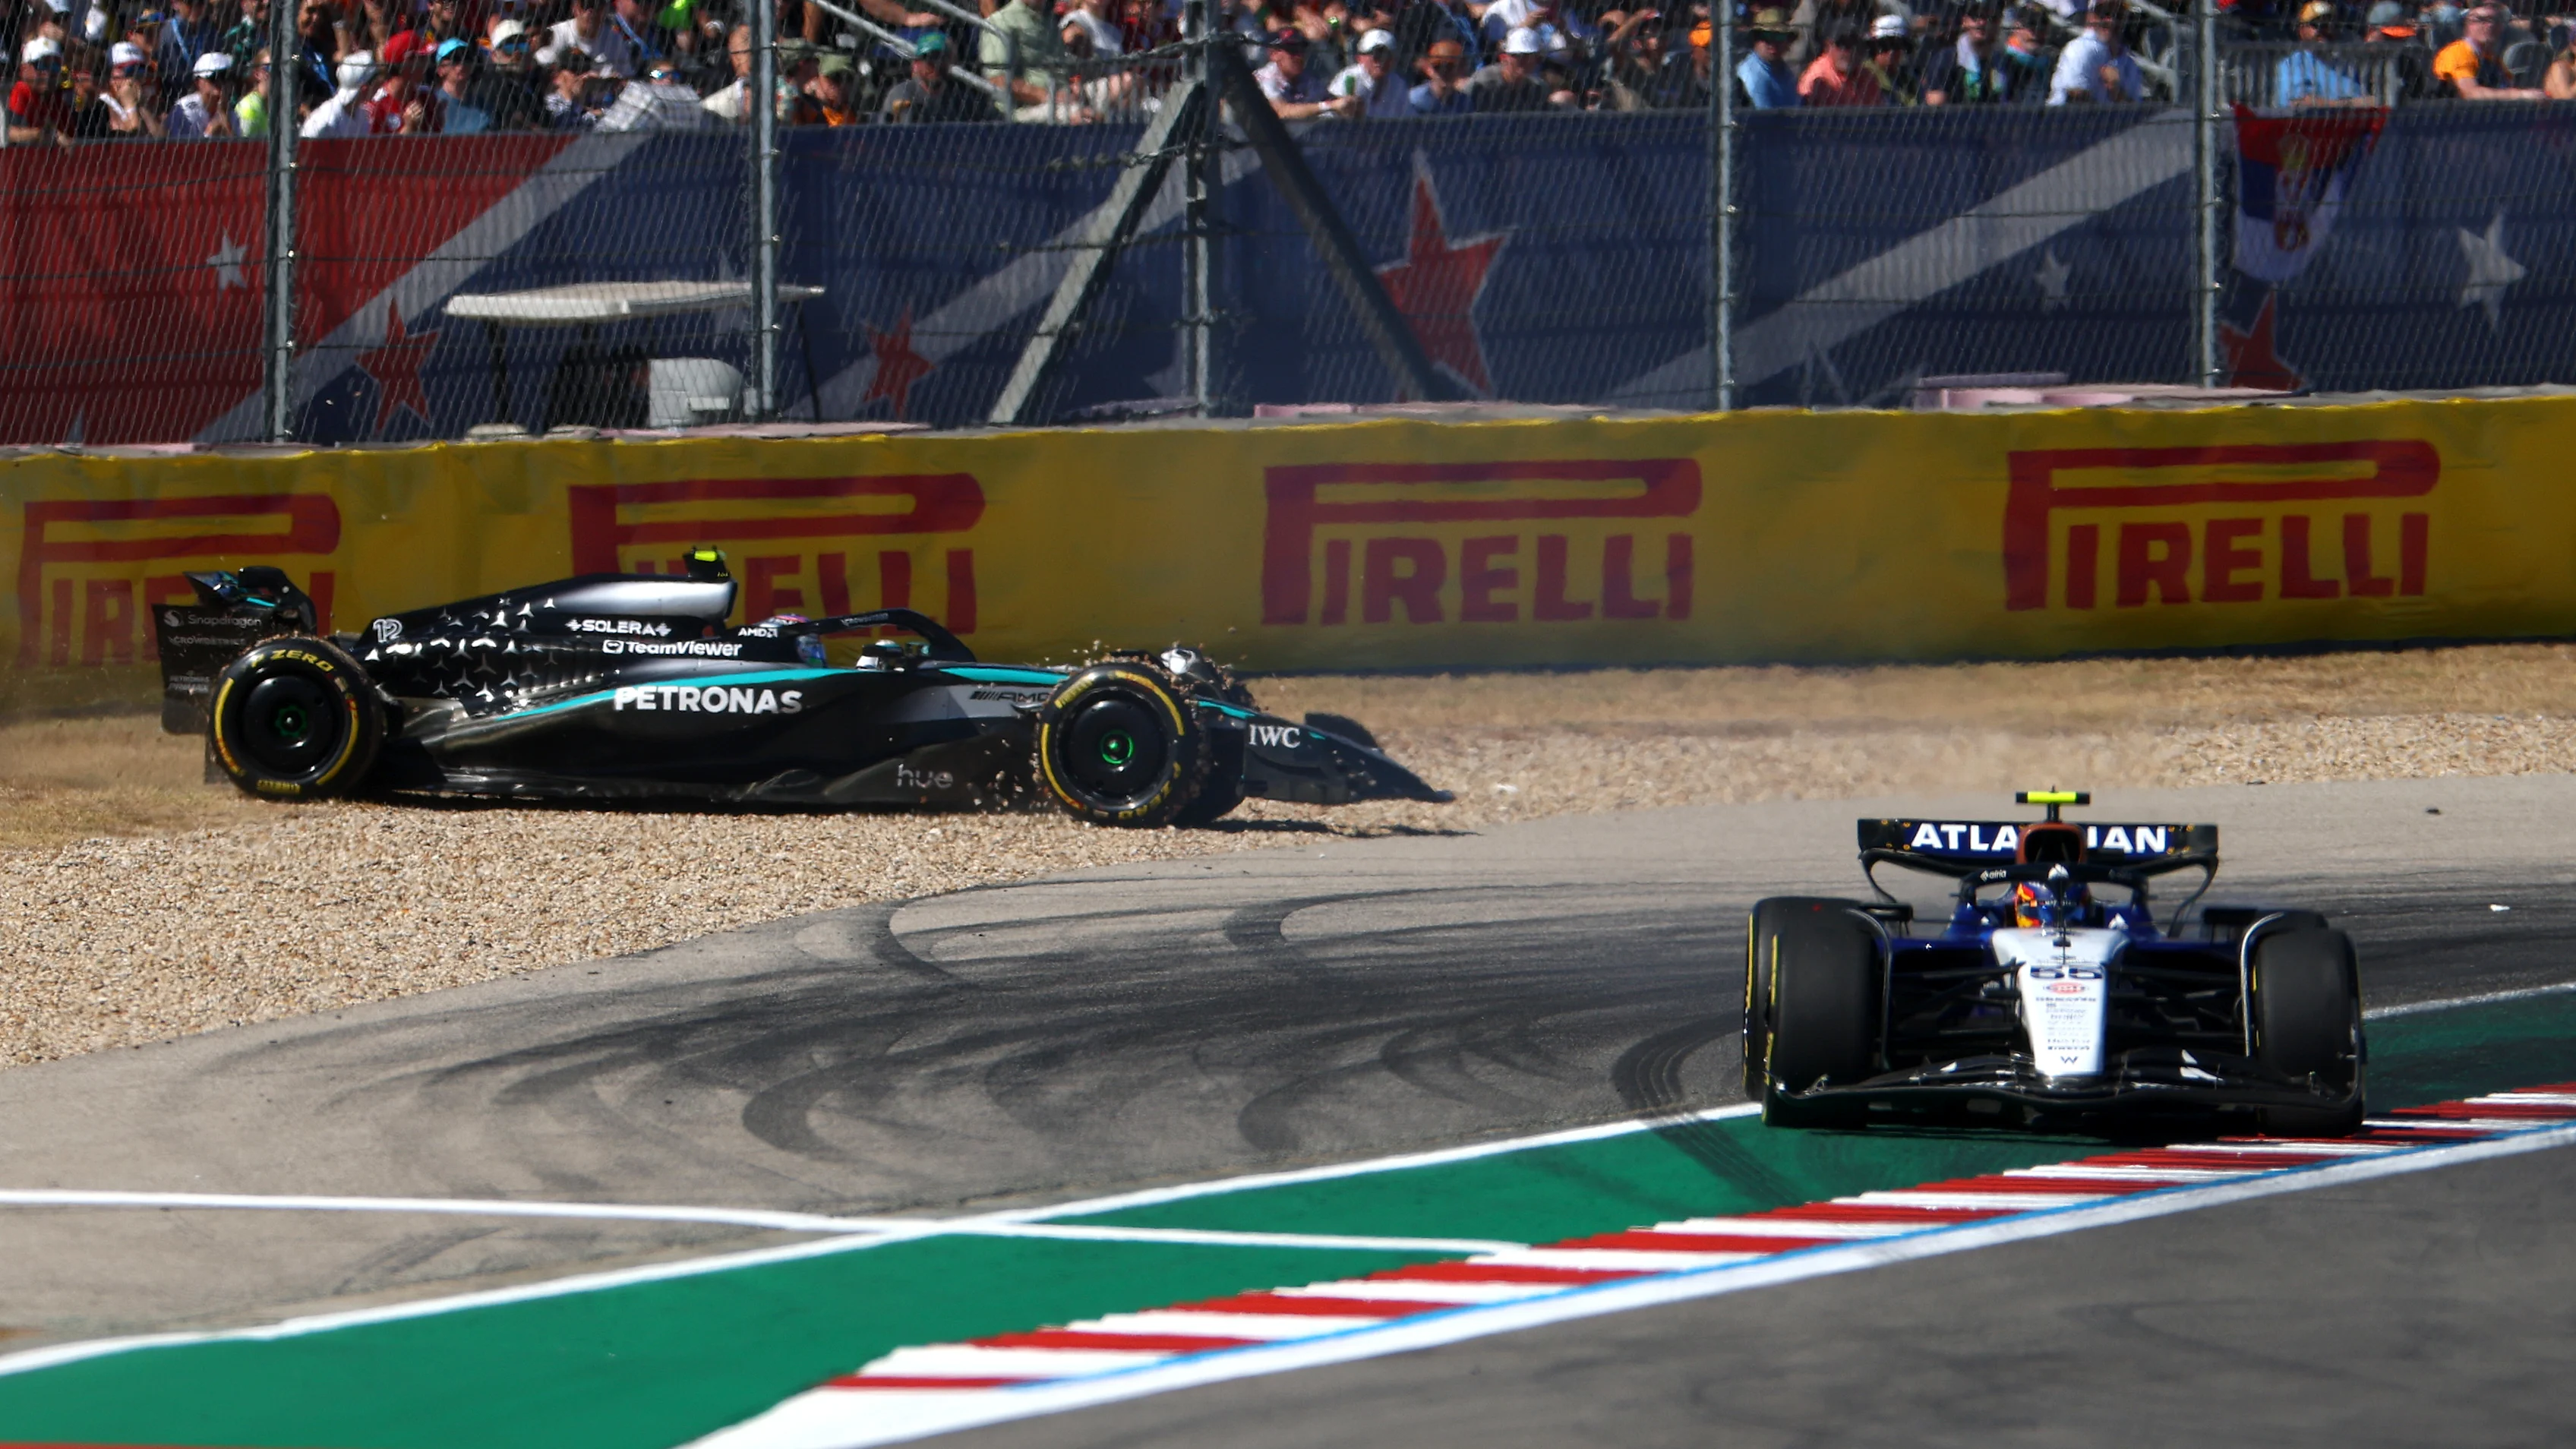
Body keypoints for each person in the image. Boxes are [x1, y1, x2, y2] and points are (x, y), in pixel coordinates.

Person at [878, 30, 996, 120]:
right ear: (916, 65)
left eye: (940, 58)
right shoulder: (903, 93)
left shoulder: (960, 98)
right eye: (928, 59)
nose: (935, 65)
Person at [980, 0, 1073, 112]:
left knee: (1094, 91)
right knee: (1076, 116)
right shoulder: (1000, 21)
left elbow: (1063, 67)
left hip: (1066, 97)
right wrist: (1048, 96)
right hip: (1028, 108)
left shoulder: (1050, 21)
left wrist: (1074, 87)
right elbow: (998, 80)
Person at [2434, 5, 2540, 96]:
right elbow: (2471, 93)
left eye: (2495, 20)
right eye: (2481, 20)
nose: (2489, 25)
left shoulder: (2491, 58)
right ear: (2468, 24)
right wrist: (2520, 95)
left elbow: (2508, 87)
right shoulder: (2457, 53)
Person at [2048, 0, 2141, 103]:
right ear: (2090, 17)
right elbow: (2074, 100)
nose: (2111, 21)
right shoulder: (2080, 48)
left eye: (2119, 15)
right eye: (2104, 14)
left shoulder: (2128, 61)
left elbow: (2136, 108)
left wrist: (2115, 89)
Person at [2275, 0, 2368, 102]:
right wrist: (2352, 104)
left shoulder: (2345, 64)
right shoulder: (2292, 64)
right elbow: (2300, 103)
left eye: (2329, 24)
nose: (2324, 30)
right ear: (2301, 29)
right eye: (2316, 24)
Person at [1920, 8, 2015, 102]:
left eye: (1989, 18)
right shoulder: (1947, 59)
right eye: (1975, 17)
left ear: (1998, 23)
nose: (1981, 23)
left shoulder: (2008, 61)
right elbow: (1936, 105)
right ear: (1965, 22)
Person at [1256, 28, 1350, 115]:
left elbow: (1330, 100)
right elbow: (1281, 112)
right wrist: (1328, 106)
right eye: (1292, 49)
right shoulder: (1265, 78)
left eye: (1302, 48)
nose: (1299, 55)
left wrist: (1347, 103)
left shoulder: (1305, 76)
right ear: (1274, 54)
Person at [472, 21, 547, 128]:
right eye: (509, 48)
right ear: (494, 56)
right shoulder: (489, 87)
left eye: (522, 45)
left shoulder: (534, 81)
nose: (517, 53)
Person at [362, 29, 442, 130]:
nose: (426, 64)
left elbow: (436, 136)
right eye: (422, 58)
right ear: (406, 63)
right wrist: (408, 126)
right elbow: (375, 141)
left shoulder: (426, 96)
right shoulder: (376, 104)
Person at [1466, 24, 1561, 106]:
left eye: (1530, 56)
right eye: (1517, 56)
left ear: (1537, 60)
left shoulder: (1538, 89)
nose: (1524, 61)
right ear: (1503, 58)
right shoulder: (1483, 83)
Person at [7, 37, 74, 147]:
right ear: (24, 69)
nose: (48, 73)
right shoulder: (21, 90)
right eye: (40, 65)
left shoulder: (56, 96)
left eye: (55, 65)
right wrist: (51, 135)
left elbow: (70, 136)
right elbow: (11, 133)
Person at [1327, 27, 1413, 114]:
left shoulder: (1398, 84)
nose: (1381, 61)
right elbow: (1328, 115)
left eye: (1387, 55)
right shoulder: (1348, 78)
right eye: (1376, 55)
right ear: (1360, 58)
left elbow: (1410, 117)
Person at [547, 0, 639, 79]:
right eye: (585, 5)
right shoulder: (556, 34)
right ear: (575, 9)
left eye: (596, 5)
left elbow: (627, 78)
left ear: (605, 10)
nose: (590, 11)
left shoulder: (614, 39)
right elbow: (543, 76)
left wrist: (603, 80)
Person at [1799, 21, 1883, 102]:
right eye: (1844, 44)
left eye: (1857, 45)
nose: (1851, 51)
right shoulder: (1817, 78)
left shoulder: (1867, 77)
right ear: (1828, 46)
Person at [1737, 5, 1801, 106]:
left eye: (1779, 36)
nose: (1773, 43)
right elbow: (1762, 113)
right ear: (1755, 38)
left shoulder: (1785, 72)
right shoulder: (1750, 75)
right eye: (1767, 36)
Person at [165, 47, 236, 135]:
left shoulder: (227, 106)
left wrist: (224, 117)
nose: (220, 82)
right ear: (198, 83)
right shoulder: (186, 111)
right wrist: (210, 132)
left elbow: (239, 142)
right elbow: (181, 143)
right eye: (213, 78)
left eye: (224, 76)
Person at [103, 39, 168, 134]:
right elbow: (134, 137)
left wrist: (141, 105)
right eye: (129, 72)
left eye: (139, 72)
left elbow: (162, 138)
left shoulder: (150, 98)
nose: (135, 79)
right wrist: (131, 106)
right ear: (111, 76)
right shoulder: (106, 101)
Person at [430, 36, 491, 130]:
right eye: (455, 59)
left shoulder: (482, 103)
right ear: (440, 69)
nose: (461, 64)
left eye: (466, 57)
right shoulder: (432, 103)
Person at [1409, 33, 1475, 109]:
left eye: (1449, 67)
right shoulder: (1414, 100)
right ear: (1430, 70)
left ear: (1461, 68)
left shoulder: (1464, 102)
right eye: (1438, 68)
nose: (1443, 72)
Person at [1861, 11, 1917, 99]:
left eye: (1897, 45)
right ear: (1873, 47)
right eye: (1884, 45)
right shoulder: (1864, 75)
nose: (1891, 52)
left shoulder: (1908, 78)